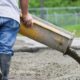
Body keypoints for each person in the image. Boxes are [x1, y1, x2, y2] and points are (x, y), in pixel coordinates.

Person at [0, 0, 32, 80]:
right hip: (10, 14)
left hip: (9, 14)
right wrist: (25, 14)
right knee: (5, 48)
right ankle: (4, 76)